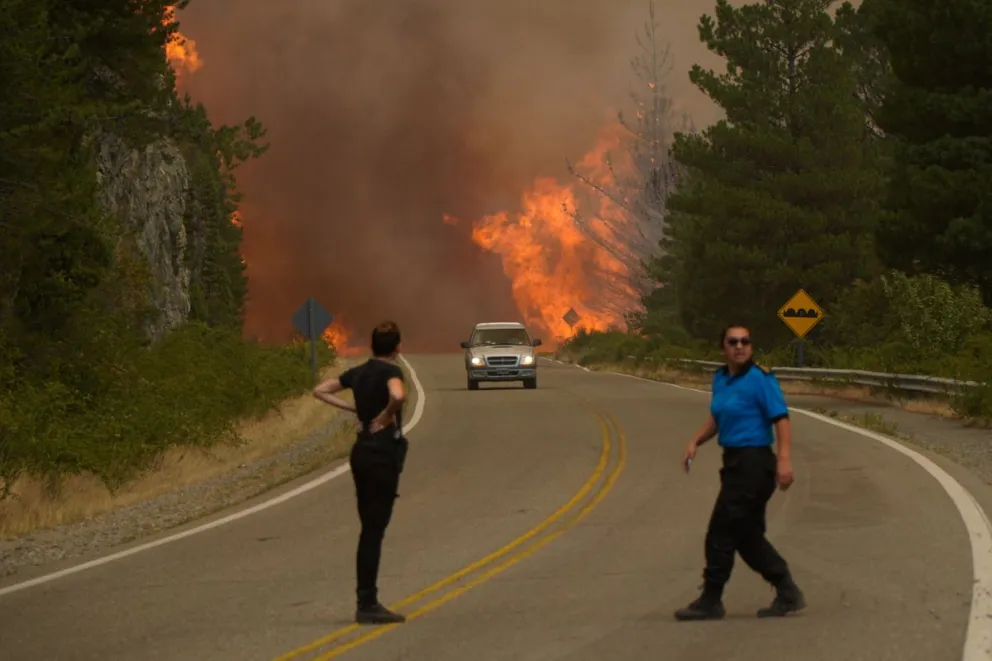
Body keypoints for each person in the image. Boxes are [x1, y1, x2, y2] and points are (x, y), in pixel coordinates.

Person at [674, 323, 807, 621]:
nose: (739, 346)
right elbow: (719, 417)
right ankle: (787, 591)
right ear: (723, 348)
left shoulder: (761, 379)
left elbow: (781, 420)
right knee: (746, 537)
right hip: (734, 463)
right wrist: (695, 440)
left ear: (751, 347)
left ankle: (711, 600)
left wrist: (784, 460)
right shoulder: (721, 379)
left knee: (720, 532)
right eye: (732, 342)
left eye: (745, 341)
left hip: (755, 464)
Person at [313, 320, 409, 625]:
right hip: (381, 453)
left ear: (372, 346)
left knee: (368, 528)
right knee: (374, 530)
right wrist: (385, 415)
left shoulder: (359, 372)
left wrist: (355, 411)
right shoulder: (391, 372)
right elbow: (398, 395)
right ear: (397, 348)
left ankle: (365, 598)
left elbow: (320, 390)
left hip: (361, 452)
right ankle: (367, 603)